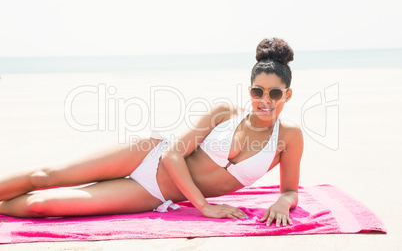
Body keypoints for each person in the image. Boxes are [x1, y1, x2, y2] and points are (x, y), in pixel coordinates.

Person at [0, 38, 303, 227]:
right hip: (147, 154)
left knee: (43, 205)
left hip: (153, 192)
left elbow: (290, 190)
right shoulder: (225, 112)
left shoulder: (288, 137)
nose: (265, 101)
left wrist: (282, 202)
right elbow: (173, 154)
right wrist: (204, 207)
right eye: (257, 91)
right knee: (44, 177)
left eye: (274, 93)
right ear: (249, 91)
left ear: (287, 95)